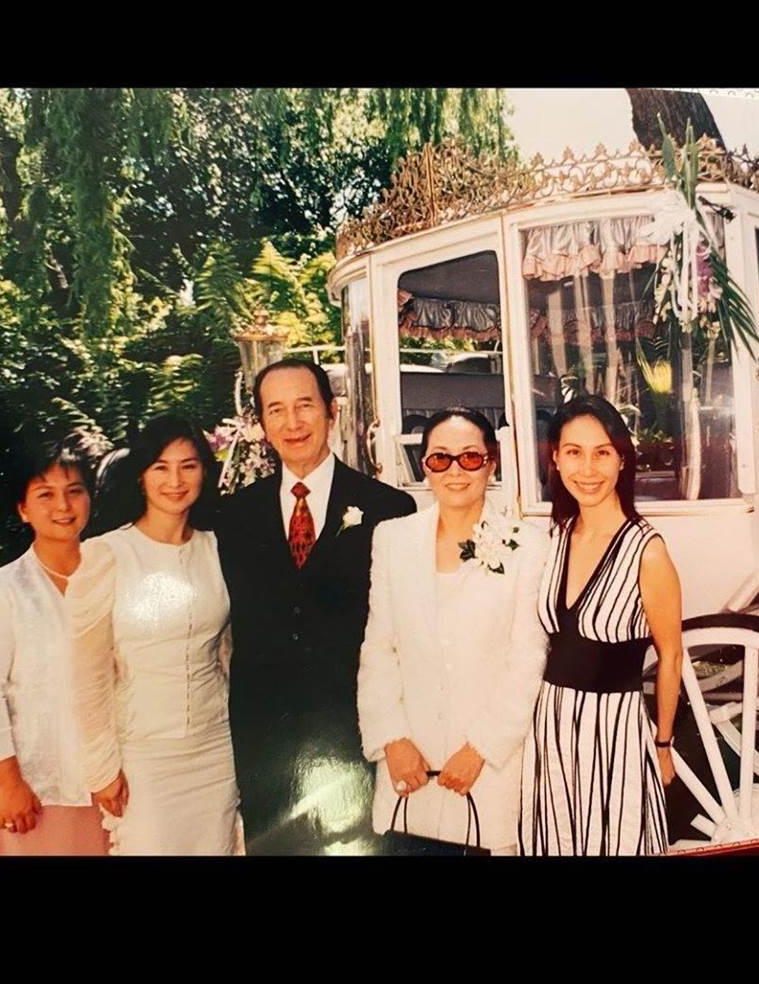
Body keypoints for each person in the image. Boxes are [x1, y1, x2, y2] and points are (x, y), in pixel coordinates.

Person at [216, 358, 414, 854]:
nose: (293, 422)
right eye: (276, 410)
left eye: (305, 405)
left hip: (355, 740)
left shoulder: (389, 509)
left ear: (331, 411)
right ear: (262, 425)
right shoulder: (234, 517)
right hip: (267, 745)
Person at [358, 408, 548, 855]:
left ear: (491, 463)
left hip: (487, 771)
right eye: (441, 458)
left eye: (470, 457)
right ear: (425, 466)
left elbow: (527, 660)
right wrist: (392, 739)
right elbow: (379, 648)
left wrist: (481, 748)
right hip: (409, 767)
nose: (456, 471)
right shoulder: (392, 539)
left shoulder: (529, 546)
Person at [519, 395, 683, 855]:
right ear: (555, 458)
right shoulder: (555, 538)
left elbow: (671, 655)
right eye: (574, 452)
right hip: (548, 731)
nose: (588, 470)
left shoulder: (646, 551)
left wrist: (663, 744)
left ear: (621, 460)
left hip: (614, 735)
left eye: (602, 453)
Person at [67, 415, 238, 855]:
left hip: (216, 751)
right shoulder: (107, 554)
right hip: (143, 759)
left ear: (205, 472)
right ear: (141, 475)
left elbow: (227, 650)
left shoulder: (218, 549)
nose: (175, 481)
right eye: (161, 467)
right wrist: (102, 768)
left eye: (188, 466)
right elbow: (88, 674)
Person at [0, 434, 109, 856]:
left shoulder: (111, 576)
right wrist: (8, 784)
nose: (63, 506)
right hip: (31, 797)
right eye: (45, 494)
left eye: (74, 491)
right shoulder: (0, 591)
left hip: (108, 790)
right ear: (23, 508)